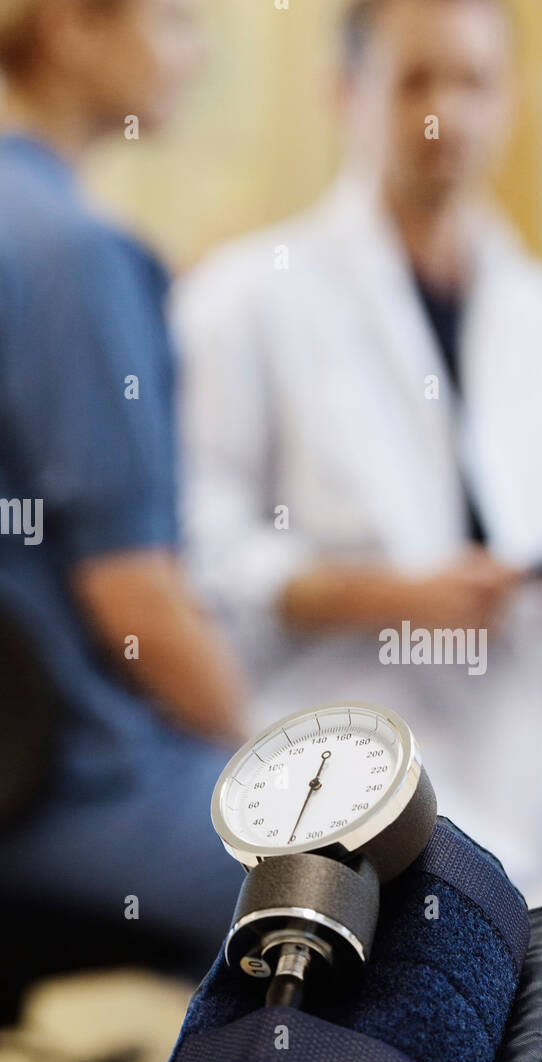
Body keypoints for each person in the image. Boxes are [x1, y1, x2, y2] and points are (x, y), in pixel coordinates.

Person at [175, 0, 542, 896]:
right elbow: (203, 557)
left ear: (508, 100)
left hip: (527, 744)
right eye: (415, 80)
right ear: (347, 93)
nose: (447, 116)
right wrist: (388, 596)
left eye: (474, 83)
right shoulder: (245, 304)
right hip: (332, 756)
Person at [0, 0, 247, 973]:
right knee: (425, 887)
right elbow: (133, 593)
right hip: (70, 793)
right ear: (69, 24)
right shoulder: (73, 254)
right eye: (174, 16)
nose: (194, 51)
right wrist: (283, 761)